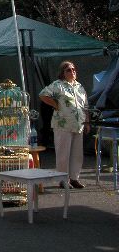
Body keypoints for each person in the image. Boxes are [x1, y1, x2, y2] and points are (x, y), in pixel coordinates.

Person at [39, 61, 90, 189]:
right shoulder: (58, 85)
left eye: (74, 69)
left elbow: (85, 106)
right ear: (63, 72)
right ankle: (62, 179)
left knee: (77, 154)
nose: (72, 72)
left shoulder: (79, 86)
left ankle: (74, 178)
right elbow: (43, 94)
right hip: (63, 124)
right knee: (63, 153)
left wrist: (87, 121)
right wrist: (56, 104)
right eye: (68, 70)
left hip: (78, 124)